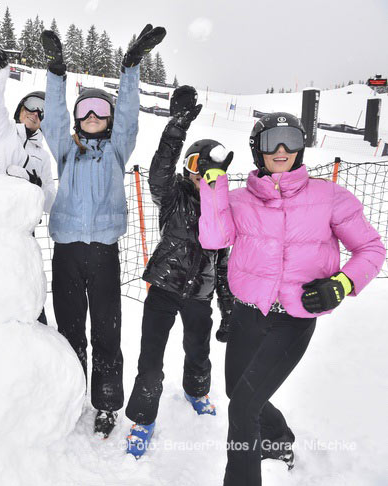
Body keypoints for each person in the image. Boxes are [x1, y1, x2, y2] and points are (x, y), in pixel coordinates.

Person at [197, 112, 386, 485]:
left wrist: (343, 284)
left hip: (294, 317)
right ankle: (278, 440)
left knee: (243, 409)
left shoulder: (330, 197)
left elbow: (370, 249)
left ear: (302, 146)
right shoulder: (237, 199)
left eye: (291, 140)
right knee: (238, 392)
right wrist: (214, 183)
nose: (281, 149)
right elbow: (214, 239)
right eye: (271, 141)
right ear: (257, 150)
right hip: (247, 314)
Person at [39, 25, 166, 438]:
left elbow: (130, 116)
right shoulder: (66, 150)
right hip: (68, 252)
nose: (92, 116)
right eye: (85, 111)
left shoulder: (116, 150)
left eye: (100, 110)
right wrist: (56, 73)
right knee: (70, 329)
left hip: (104, 252)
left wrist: (130, 68)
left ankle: (108, 402)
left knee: (107, 329)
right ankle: (71, 395)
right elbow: (54, 116)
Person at [124, 85, 234, 458]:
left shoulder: (222, 210)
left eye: (210, 172)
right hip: (165, 287)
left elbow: (224, 263)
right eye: (196, 169)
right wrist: (177, 127)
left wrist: (228, 308)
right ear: (188, 171)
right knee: (151, 355)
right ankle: (143, 417)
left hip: (200, 296)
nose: (202, 177)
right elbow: (158, 172)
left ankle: (197, 390)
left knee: (198, 349)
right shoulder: (173, 196)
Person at [0, 41, 57, 324]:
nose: (35, 113)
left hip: (23, 235)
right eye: (31, 106)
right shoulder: (1, 131)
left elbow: (49, 202)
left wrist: (35, 188)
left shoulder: (43, 157)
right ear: (20, 108)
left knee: (26, 303)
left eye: (42, 112)